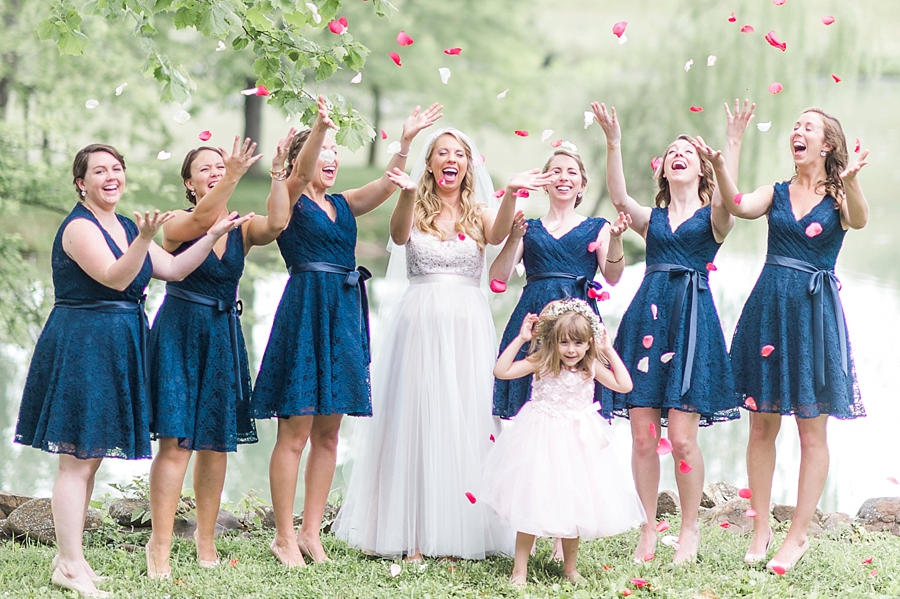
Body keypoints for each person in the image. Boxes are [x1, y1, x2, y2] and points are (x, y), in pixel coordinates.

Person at [13, 144, 249, 598]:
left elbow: (176, 269)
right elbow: (117, 277)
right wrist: (144, 238)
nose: (110, 176)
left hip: (120, 342)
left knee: (91, 459)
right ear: (81, 182)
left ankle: (74, 560)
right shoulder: (80, 228)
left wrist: (213, 231)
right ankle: (67, 563)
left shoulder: (121, 224)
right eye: (99, 171)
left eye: (116, 168)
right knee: (76, 461)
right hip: (84, 341)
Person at [251, 101, 444, 567]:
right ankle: (282, 535)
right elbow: (296, 176)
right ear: (304, 159)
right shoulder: (291, 195)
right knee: (295, 430)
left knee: (330, 433)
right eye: (325, 152)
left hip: (342, 314)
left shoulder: (343, 203)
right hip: (305, 313)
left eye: (337, 151)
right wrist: (319, 127)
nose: (332, 158)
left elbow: (385, 186)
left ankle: (310, 532)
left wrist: (404, 143)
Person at [332, 128, 534, 560]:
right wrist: (404, 194)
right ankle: (414, 535)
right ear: (430, 164)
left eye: (458, 154)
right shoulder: (416, 207)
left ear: (467, 165)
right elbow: (401, 237)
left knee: (463, 417)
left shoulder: (479, 212)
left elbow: (498, 235)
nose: (450, 159)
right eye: (442, 153)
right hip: (419, 321)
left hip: (466, 324)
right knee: (417, 416)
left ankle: (458, 530)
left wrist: (512, 194)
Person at [699, 108, 868, 574]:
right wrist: (726, 150)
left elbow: (859, 219)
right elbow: (735, 204)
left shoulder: (838, 197)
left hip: (813, 317)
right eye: (794, 126)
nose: (797, 131)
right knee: (761, 424)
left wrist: (850, 182)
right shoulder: (774, 193)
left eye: (807, 127)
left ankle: (797, 537)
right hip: (769, 309)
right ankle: (761, 529)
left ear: (827, 144)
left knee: (812, 430)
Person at [592, 100, 753, 564]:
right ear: (663, 170)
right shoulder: (654, 219)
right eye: (671, 151)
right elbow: (620, 198)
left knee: (682, 438)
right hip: (648, 320)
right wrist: (614, 140)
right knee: (643, 437)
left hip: (692, 326)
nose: (677, 154)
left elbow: (731, 201)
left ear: (701, 170)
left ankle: (688, 530)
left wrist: (731, 146)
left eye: (688, 151)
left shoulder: (714, 217)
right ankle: (646, 528)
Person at [144, 128, 299, 578]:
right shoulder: (177, 221)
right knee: (176, 442)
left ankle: (206, 539)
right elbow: (198, 224)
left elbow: (276, 225)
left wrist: (277, 174)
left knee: (216, 444)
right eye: (205, 169)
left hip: (223, 335)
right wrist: (230, 177)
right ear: (190, 184)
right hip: (179, 332)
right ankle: (160, 544)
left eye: (220, 166)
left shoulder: (239, 228)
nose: (215, 173)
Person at [483, 299, 644, 588]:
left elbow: (625, 385)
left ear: (588, 343)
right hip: (540, 435)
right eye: (565, 343)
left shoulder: (590, 366)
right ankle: (519, 569)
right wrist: (521, 339)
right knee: (530, 501)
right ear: (553, 342)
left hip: (577, 440)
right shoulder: (542, 362)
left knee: (575, 500)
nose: (571, 350)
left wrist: (608, 350)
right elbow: (501, 371)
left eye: (578, 343)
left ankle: (570, 567)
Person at [489, 149, 630, 421]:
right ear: (544, 181)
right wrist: (514, 237)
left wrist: (616, 240)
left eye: (571, 172)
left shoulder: (597, 227)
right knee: (530, 405)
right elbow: (498, 278)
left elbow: (612, 276)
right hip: (536, 316)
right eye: (556, 171)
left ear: (582, 185)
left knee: (577, 404)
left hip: (578, 322)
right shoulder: (528, 227)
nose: (563, 177)